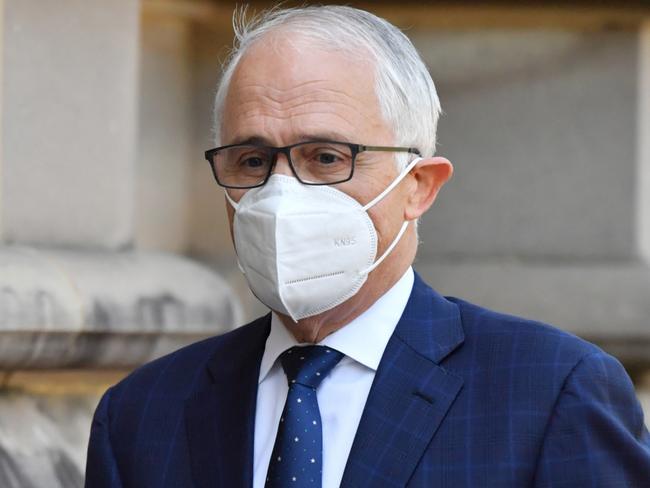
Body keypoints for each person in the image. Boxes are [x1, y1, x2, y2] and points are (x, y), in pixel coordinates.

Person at [85, 5, 650, 487]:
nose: (282, 192)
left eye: (327, 158)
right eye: (252, 160)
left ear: (419, 187)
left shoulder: (548, 391)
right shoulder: (142, 414)